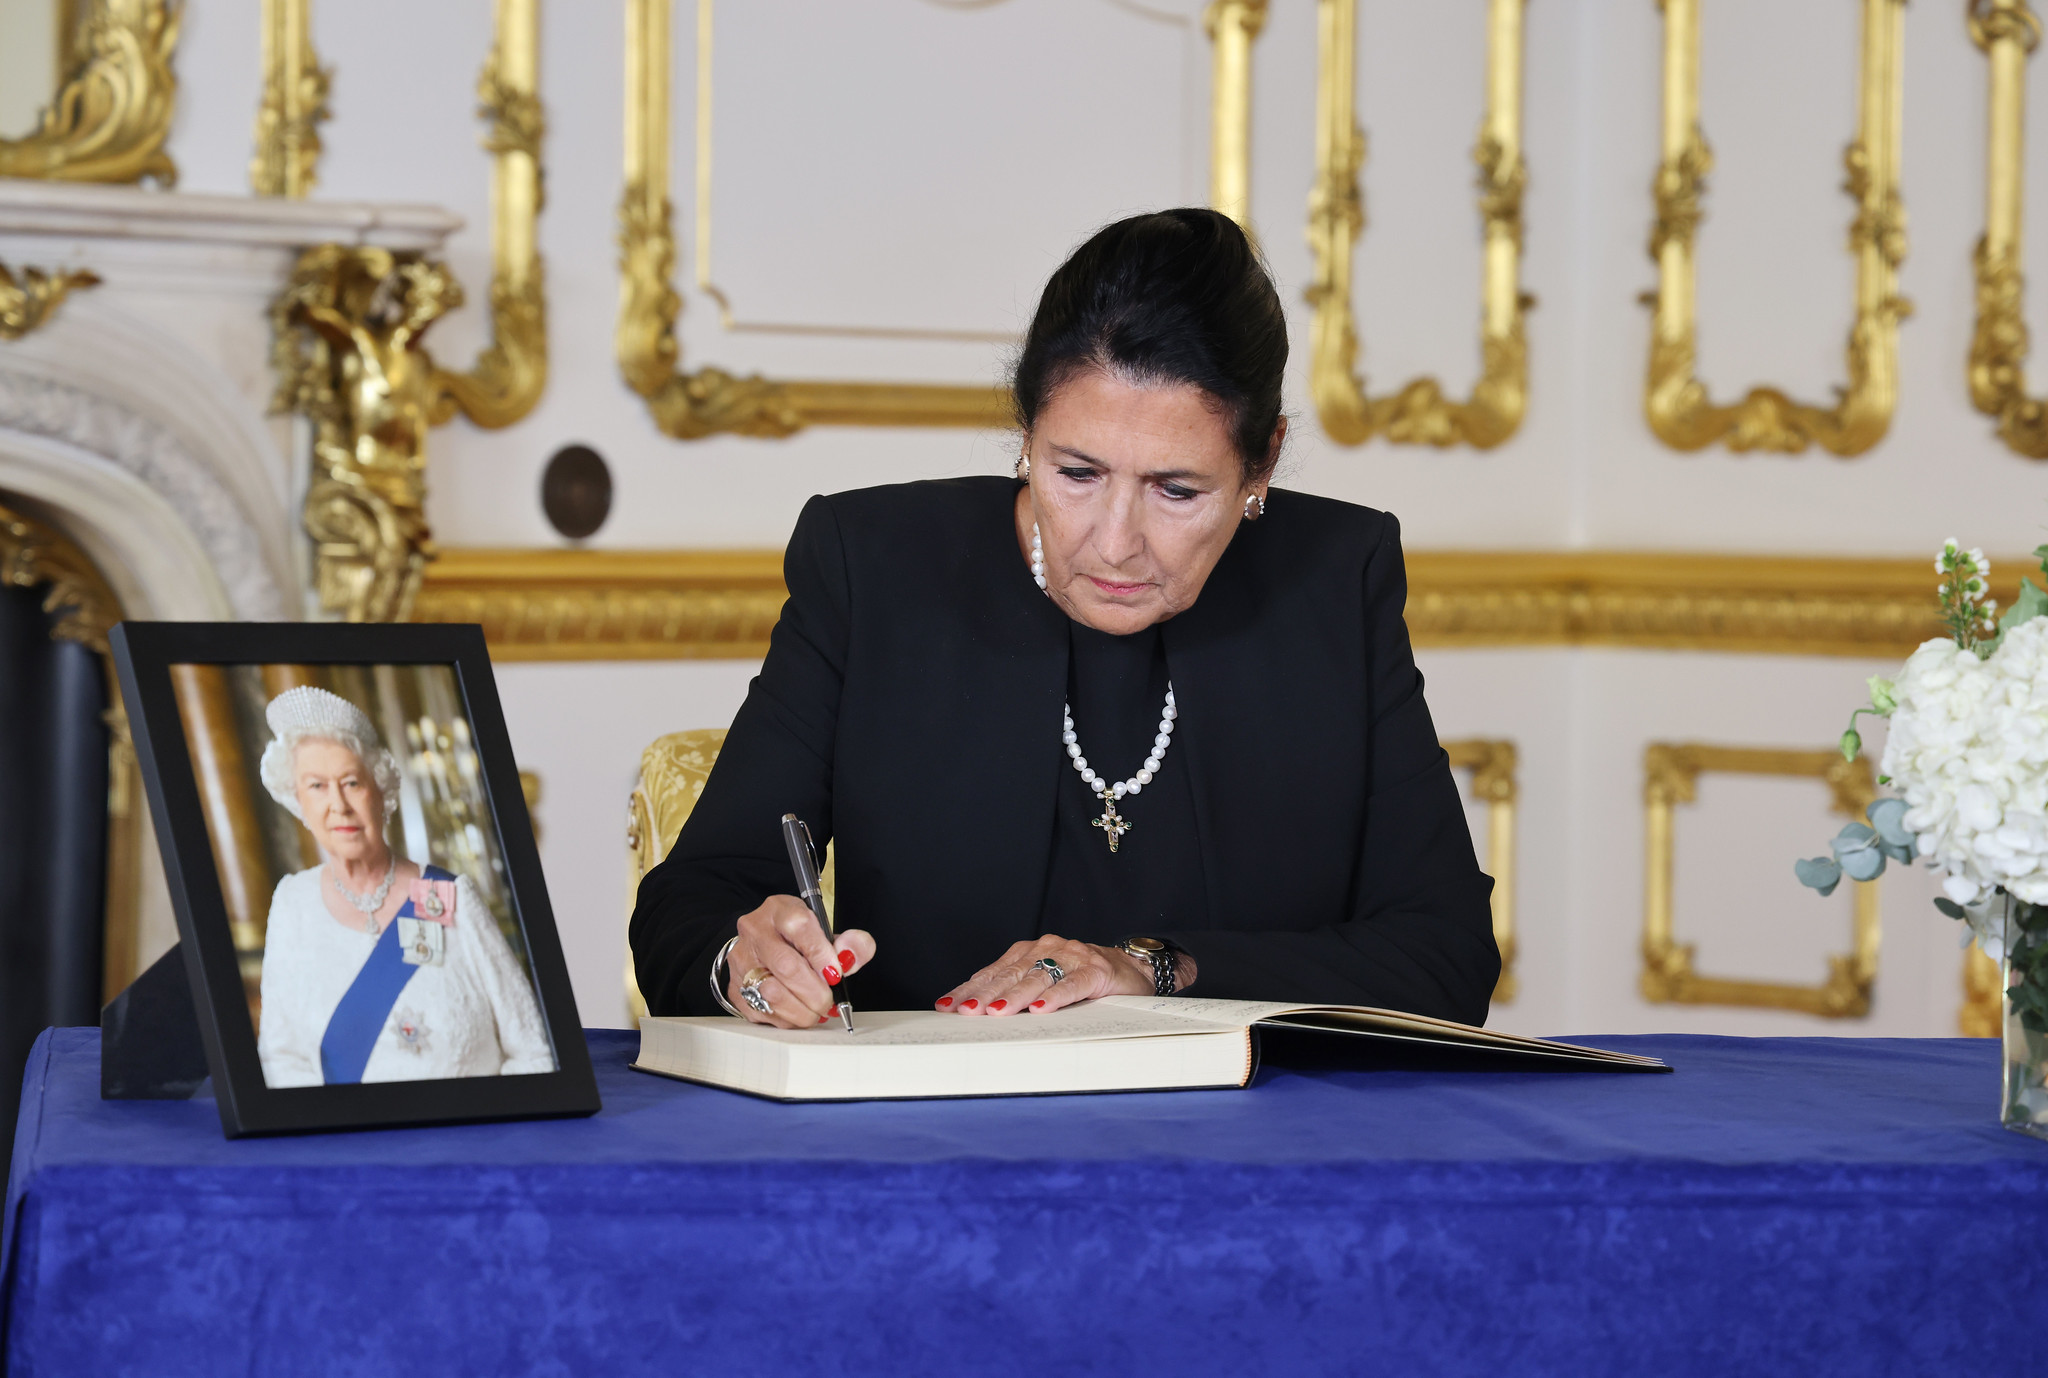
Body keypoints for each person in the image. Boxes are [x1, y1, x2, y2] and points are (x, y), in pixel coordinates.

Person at [630, 208, 1499, 1030]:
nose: (1116, 544)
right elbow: (691, 907)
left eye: (1176, 490)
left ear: (1261, 462)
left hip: (1253, 1123)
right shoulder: (873, 568)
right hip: (928, 1120)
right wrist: (745, 964)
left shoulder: (1336, 581)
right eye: (1076, 473)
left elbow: (1445, 954)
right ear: (1026, 434)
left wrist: (1157, 969)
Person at [253, 685, 554, 1085]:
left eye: (352, 782)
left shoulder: (449, 896)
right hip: (347, 1127)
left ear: (381, 791)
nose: (338, 805)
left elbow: (534, 1052)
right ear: (298, 802)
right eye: (317, 786)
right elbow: (281, 1060)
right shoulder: (293, 903)